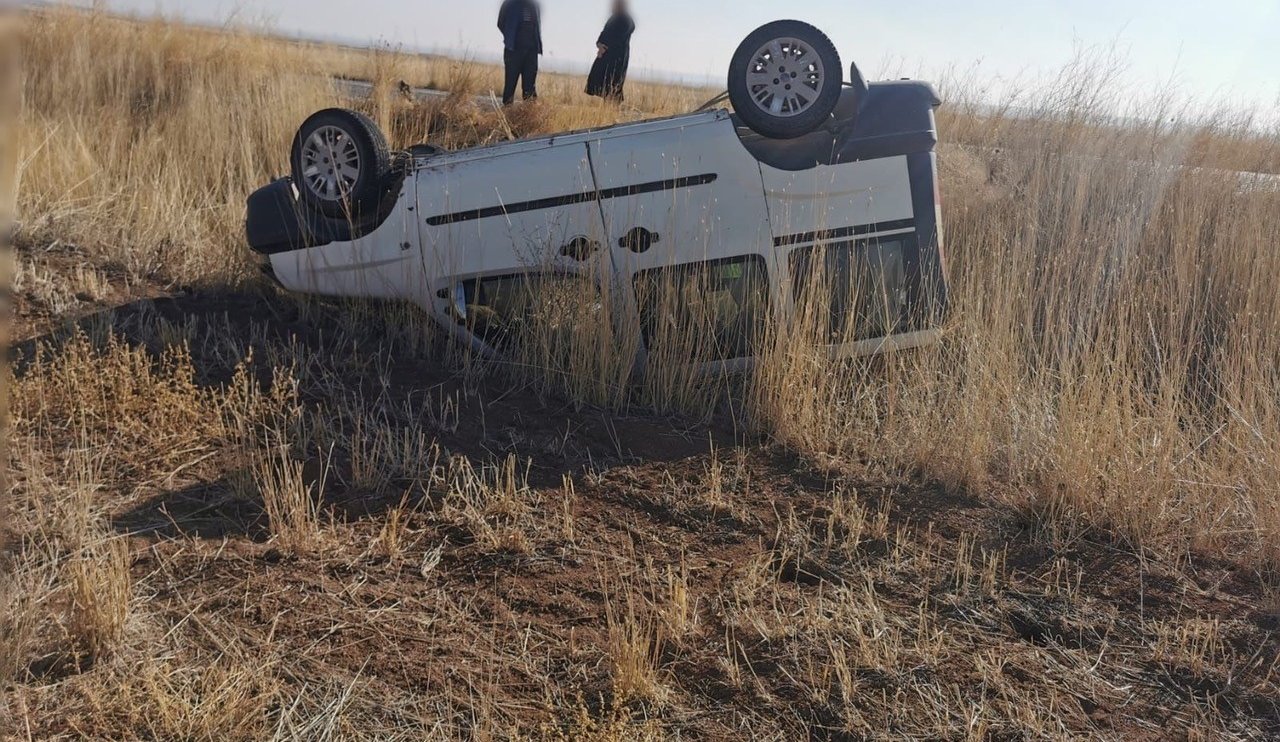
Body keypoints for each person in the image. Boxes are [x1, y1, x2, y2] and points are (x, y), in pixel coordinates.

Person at [585, 0, 634, 102]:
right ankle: (607, 112)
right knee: (603, 85)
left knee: (613, 86)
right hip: (606, 55)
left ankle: (612, 112)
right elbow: (603, 33)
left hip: (617, 58)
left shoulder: (627, 20)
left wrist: (604, 47)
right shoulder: (613, 18)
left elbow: (618, 38)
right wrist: (599, 45)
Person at [497, 0, 542, 105]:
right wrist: (510, 37)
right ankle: (506, 115)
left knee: (529, 87)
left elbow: (537, 26)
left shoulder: (534, 4)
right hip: (514, 50)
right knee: (510, 84)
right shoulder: (509, 3)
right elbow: (500, 23)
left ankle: (529, 116)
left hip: (531, 51)